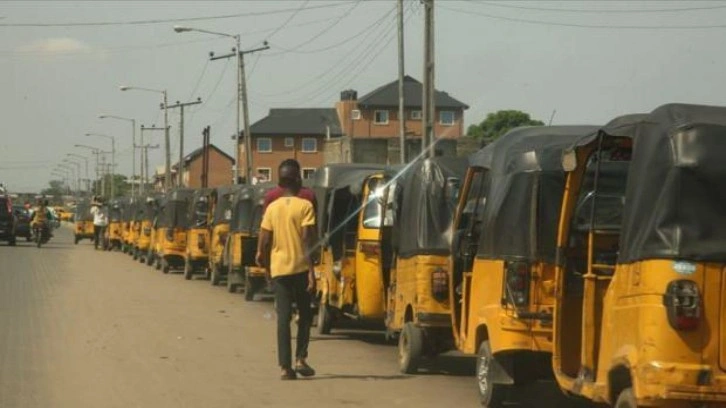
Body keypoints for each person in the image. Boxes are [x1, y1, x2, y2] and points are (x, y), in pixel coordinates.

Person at [256, 160, 317, 381]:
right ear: (298, 179)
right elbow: (307, 241)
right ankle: (300, 358)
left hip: (279, 269)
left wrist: (265, 266)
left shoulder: (272, 207)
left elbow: (263, 242)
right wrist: (311, 271)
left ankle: (285, 367)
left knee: (283, 319)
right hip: (300, 269)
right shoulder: (305, 206)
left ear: (281, 182)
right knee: (305, 315)